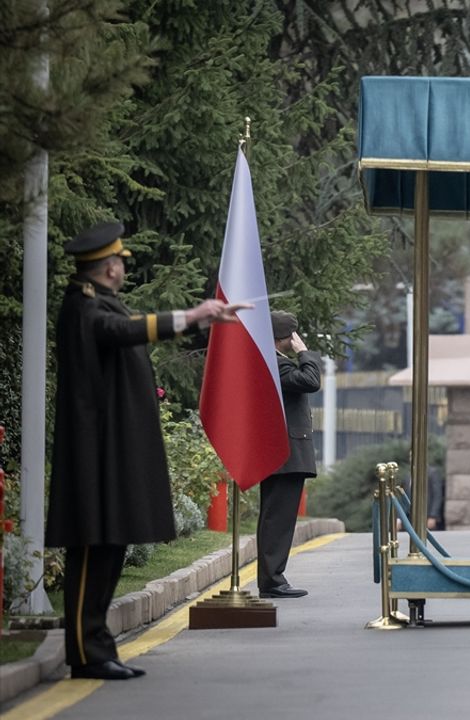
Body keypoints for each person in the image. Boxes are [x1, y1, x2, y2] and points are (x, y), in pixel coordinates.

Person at [45, 221, 246, 681]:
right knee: (93, 547)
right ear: (108, 268)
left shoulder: (100, 301)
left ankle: (98, 647)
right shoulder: (83, 306)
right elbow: (119, 330)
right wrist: (192, 316)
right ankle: (85, 653)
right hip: (93, 452)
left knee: (110, 546)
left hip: (108, 449)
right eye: (119, 262)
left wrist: (198, 318)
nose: (122, 268)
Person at [256, 312, 321, 599]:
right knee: (278, 520)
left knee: (276, 518)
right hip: (286, 453)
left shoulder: (272, 362)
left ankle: (272, 578)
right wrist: (304, 352)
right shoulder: (277, 364)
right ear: (286, 337)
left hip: (283, 452)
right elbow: (311, 381)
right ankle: (272, 581)